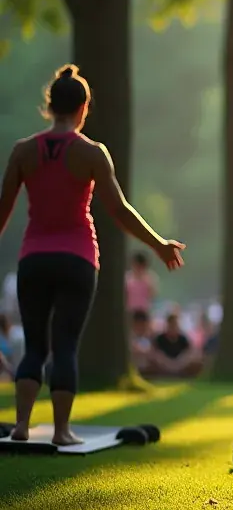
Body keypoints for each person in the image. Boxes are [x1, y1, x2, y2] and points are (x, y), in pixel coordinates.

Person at [0, 65, 184, 444]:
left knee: (34, 346)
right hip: (77, 260)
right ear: (83, 108)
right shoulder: (92, 153)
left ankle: (21, 426)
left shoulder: (23, 151)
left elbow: (2, 209)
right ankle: (61, 431)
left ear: (49, 105)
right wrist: (159, 244)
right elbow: (120, 211)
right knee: (65, 345)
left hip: (34, 259)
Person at [145, 308, 203, 378]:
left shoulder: (183, 339)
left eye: (175, 324)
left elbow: (189, 351)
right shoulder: (160, 338)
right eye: (171, 324)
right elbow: (154, 352)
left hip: (181, 363)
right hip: (163, 363)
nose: (173, 327)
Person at [125, 252, 158, 321]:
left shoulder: (150, 279)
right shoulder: (128, 278)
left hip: (144, 312)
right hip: (130, 312)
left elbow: (153, 295)